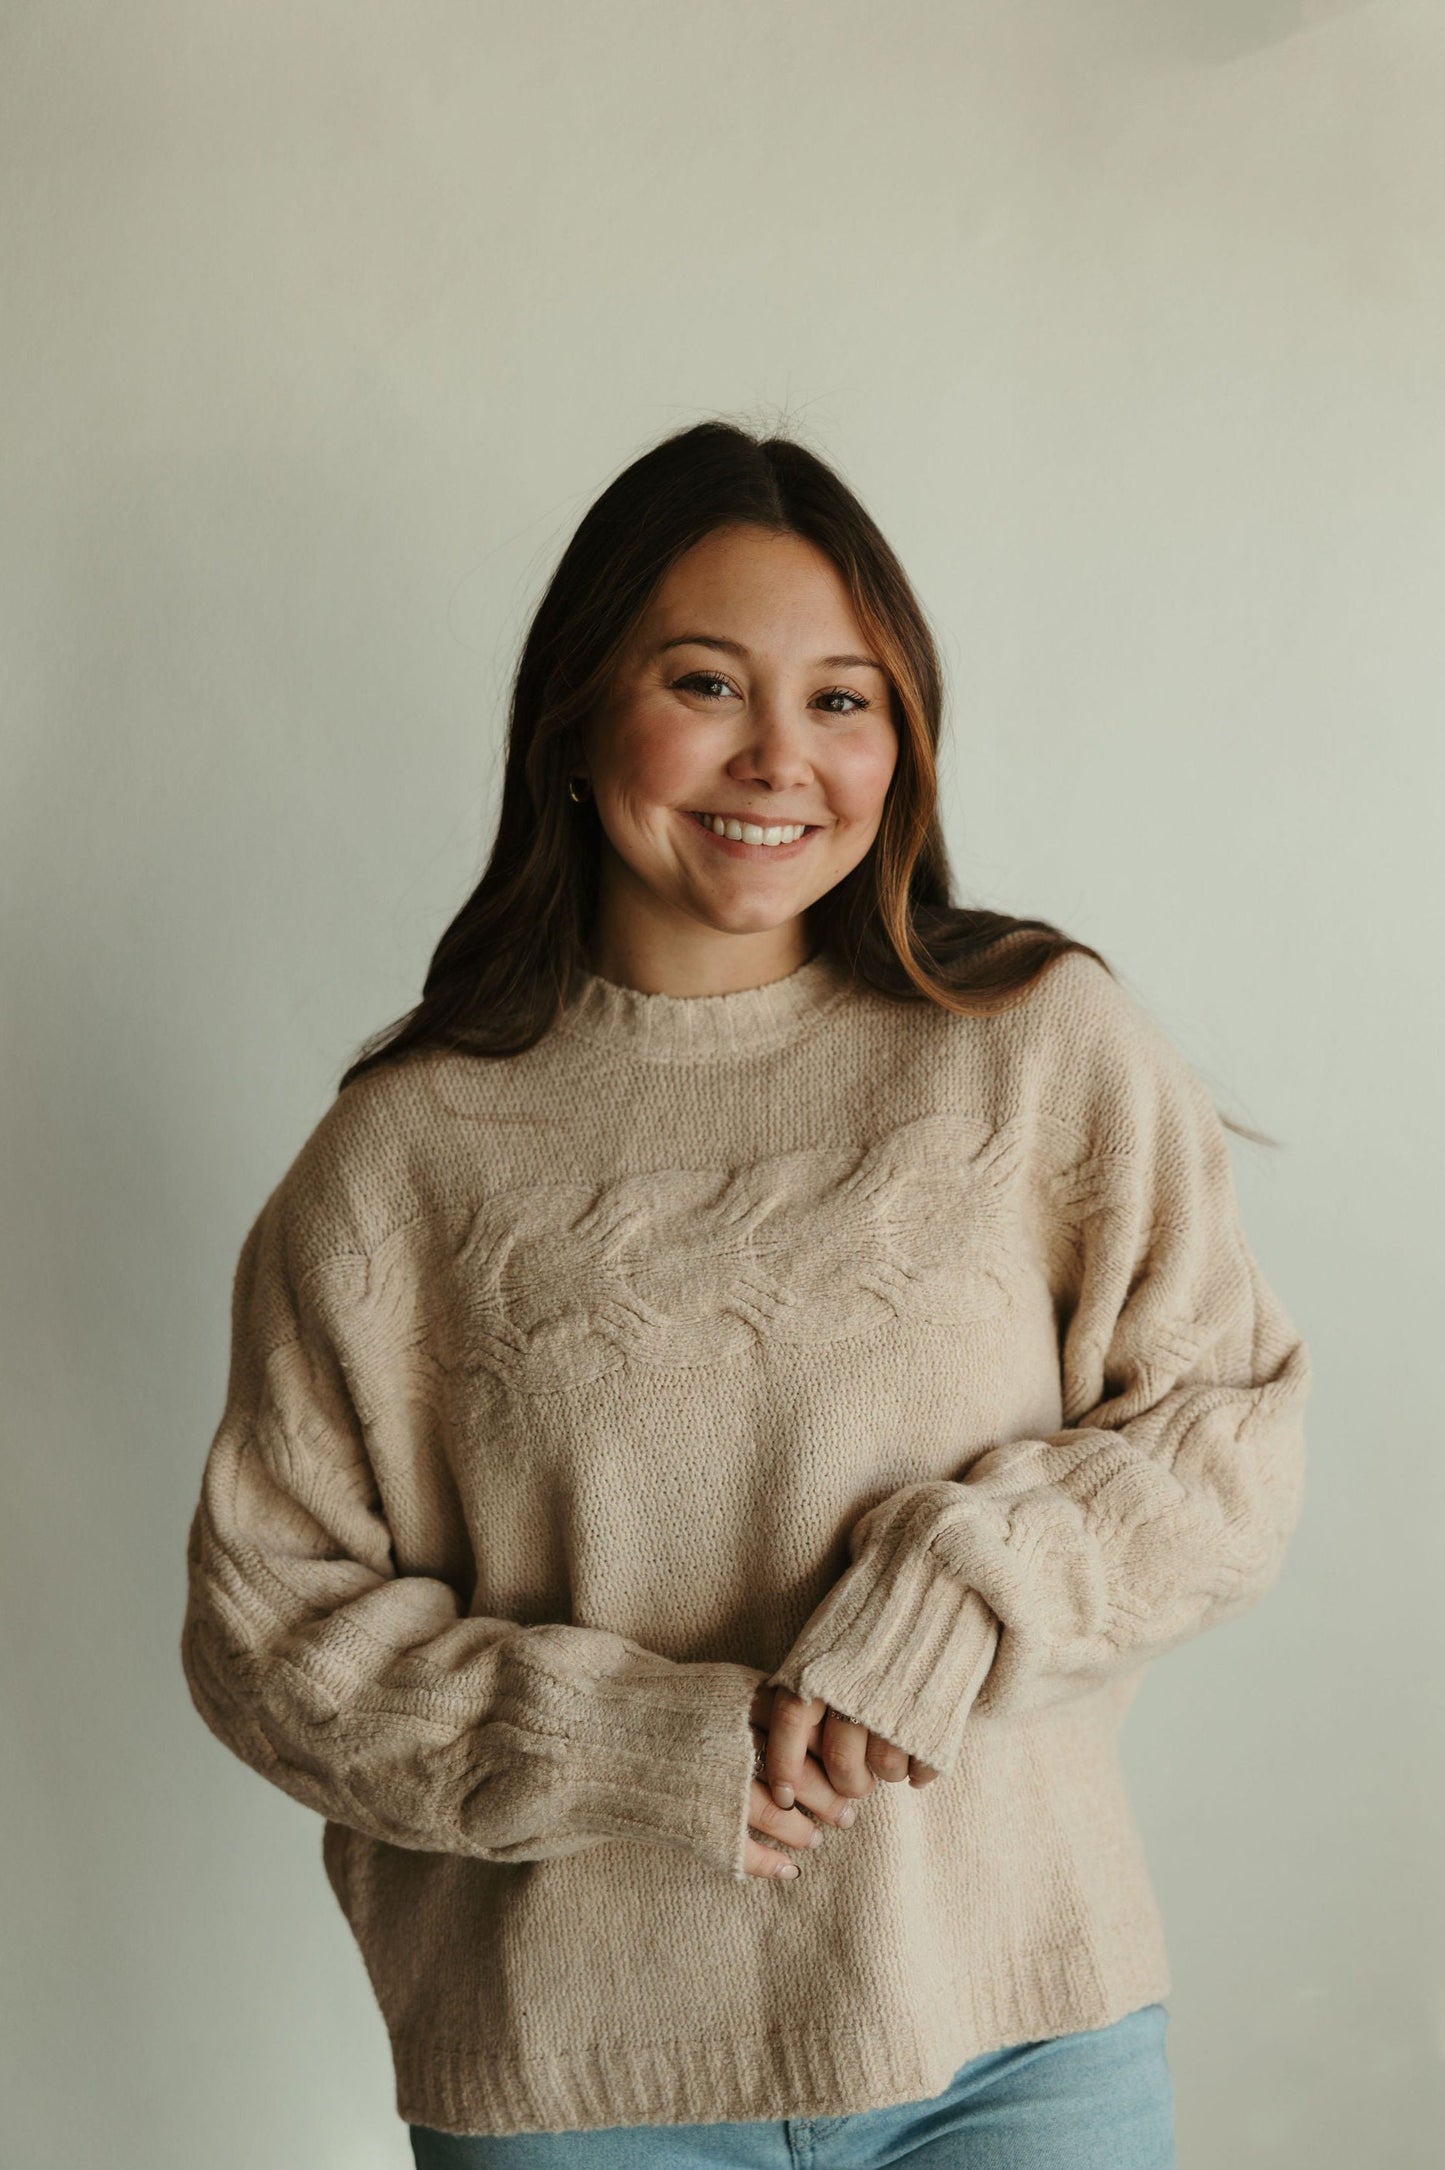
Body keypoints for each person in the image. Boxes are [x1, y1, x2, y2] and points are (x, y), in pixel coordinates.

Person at [180, 419, 1311, 2168]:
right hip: (578, 2086)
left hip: (1020, 2039)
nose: (780, 757)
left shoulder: (1031, 1050)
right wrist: (640, 1745)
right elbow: (273, 1639)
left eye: (844, 699)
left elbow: (1223, 1435)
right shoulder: (400, 1163)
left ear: (904, 740)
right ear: (575, 717)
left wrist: (950, 1594)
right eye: (705, 683)